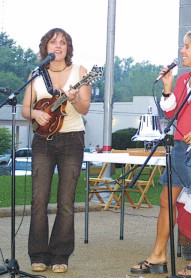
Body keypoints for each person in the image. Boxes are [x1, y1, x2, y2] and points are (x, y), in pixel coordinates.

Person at [130, 30, 191, 278]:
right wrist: (168, 86)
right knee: (165, 202)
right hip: (179, 146)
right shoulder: (182, 79)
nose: (182, 51)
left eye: (187, 47)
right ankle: (158, 255)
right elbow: (171, 113)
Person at [21, 28, 91, 273]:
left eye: (63, 42)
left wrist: (72, 99)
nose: (58, 46)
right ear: (46, 47)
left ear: (68, 48)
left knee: (66, 200)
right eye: (54, 42)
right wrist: (35, 113)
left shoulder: (79, 72)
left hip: (72, 140)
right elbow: (25, 109)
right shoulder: (36, 74)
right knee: (39, 199)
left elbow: (84, 109)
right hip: (43, 142)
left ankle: (60, 255)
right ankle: (38, 255)